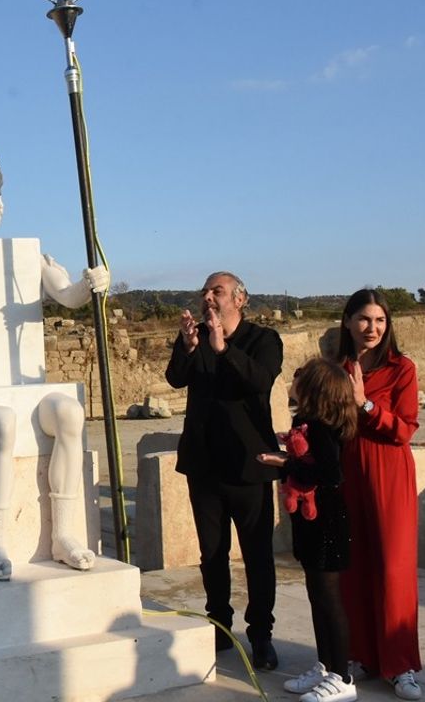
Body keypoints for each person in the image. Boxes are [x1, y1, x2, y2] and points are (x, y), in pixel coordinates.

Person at [0, 148, 110, 580]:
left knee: (69, 413)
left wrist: (91, 284)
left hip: (20, 385)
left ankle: (63, 534)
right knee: (3, 423)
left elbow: (66, 295)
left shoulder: (25, 258)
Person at [165, 271, 283, 670]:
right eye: (204, 292)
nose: (208, 297)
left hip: (249, 466)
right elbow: (175, 378)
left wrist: (222, 348)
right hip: (204, 466)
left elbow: (259, 381)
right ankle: (219, 625)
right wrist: (188, 346)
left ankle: (261, 634)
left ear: (239, 299)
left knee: (257, 554)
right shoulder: (194, 335)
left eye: (217, 290)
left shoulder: (263, 340)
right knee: (212, 554)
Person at [336, 289, 422, 700]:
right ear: (348, 321)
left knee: (393, 567)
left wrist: (365, 405)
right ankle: (360, 656)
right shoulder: (336, 367)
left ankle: (400, 663)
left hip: (389, 473)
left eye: (380, 320)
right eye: (364, 319)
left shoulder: (402, 368)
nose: (372, 328)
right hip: (347, 473)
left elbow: (405, 429)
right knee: (354, 567)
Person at [258, 358, 359, 702]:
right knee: (316, 595)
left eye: (301, 377)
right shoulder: (305, 422)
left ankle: (343, 678)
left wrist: (287, 462)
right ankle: (325, 665)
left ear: (315, 389)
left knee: (329, 599)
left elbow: (330, 474)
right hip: (311, 522)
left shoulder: (321, 426)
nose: (295, 380)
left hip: (328, 523)